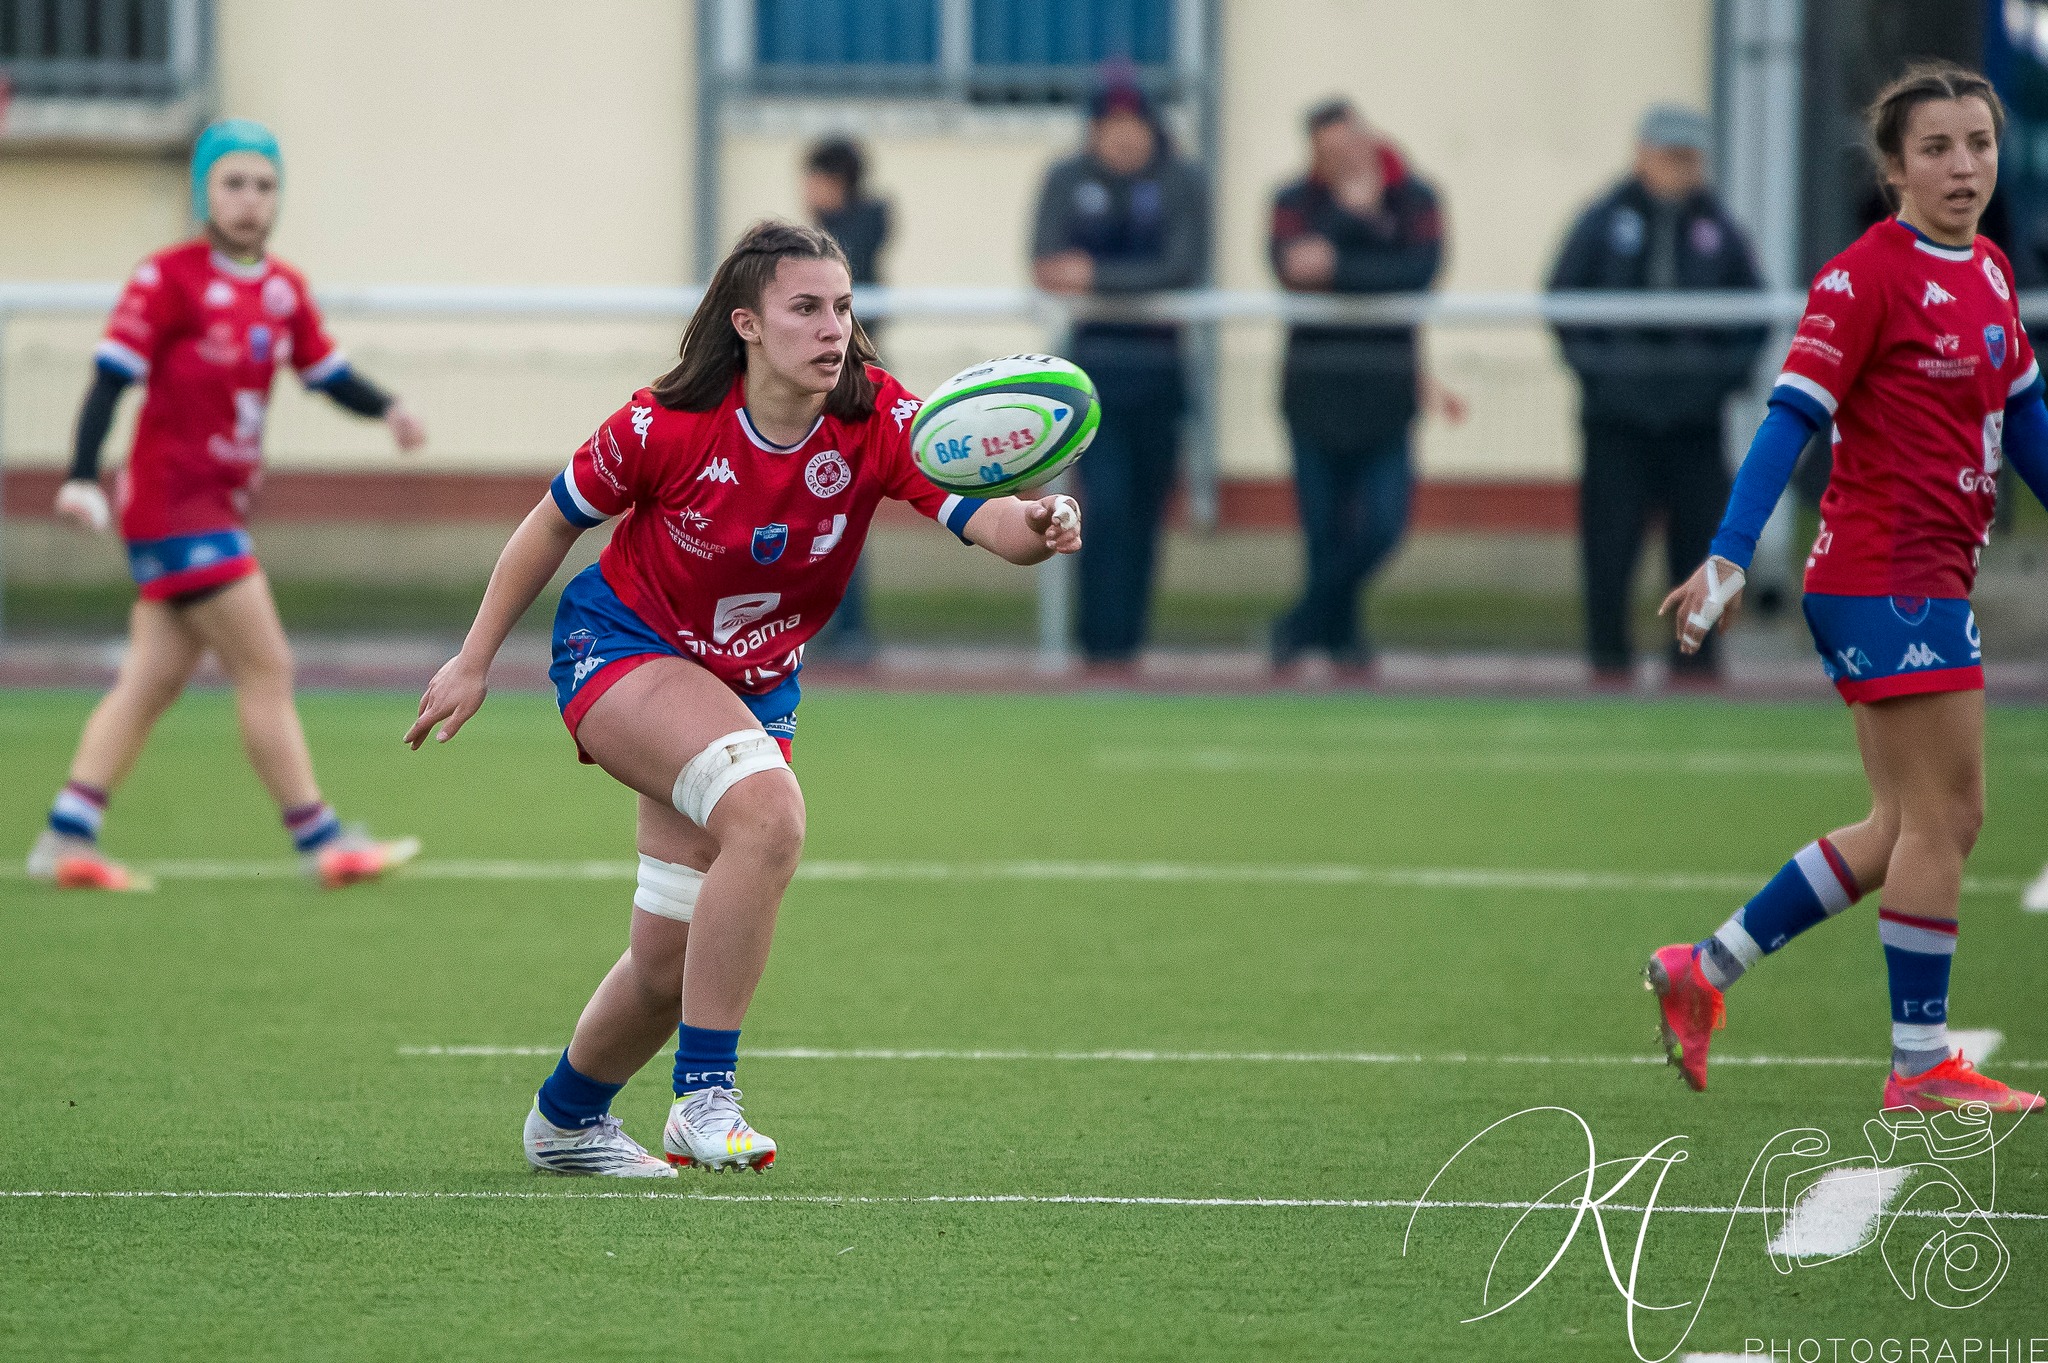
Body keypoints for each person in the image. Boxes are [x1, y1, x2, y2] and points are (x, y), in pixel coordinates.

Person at [407, 222, 1083, 1176]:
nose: (832, 328)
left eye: (843, 307)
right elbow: (548, 524)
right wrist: (474, 659)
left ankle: (567, 1121)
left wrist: (1043, 518)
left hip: (750, 684)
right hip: (621, 650)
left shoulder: (879, 419)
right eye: (805, 307)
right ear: (748, 325)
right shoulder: (665, 423)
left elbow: (990, 521)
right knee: (768, 814)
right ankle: (704, 1095)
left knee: (667, 964)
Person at [1649, 63, 2045, 1114]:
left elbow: (2027, 425)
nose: (1963, 167)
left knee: (1899, 822)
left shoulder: (1992, 269)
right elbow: (1788, 418)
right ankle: (1917, 1067)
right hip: (1884, 578)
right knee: (1948, 814)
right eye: (1935, 149)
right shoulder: (1863, 276)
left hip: (1922, 579)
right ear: (1890, 169)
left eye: (1978, 144)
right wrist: (1730, 551)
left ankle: (1703, 968)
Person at [25, 118, 426, 893]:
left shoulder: (282, 290)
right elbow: (111, 379)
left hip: (216, 508)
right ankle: (321, 838)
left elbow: (325, 372)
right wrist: (80, 474)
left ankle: (66, 836)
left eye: (264, 185)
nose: (250, 200)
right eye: (233, 184)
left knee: (152, 678)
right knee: (266, 663)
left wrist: (388, 409)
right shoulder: (165, 279)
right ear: (202, 191)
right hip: (176, 507)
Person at [1549, 105, 1766, 685]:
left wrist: (1718, 378)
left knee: (1701, 550)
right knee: (1609, 551)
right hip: (1617, 421)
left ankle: (1695, 665)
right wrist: (1603, 374)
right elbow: (1564, 301)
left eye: (1690, 158)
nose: (1679, 169)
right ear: (1642, 154)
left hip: (1695, 423)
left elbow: (1752, 314)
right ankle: (1608, 664)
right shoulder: (1601, 221)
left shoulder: (1720, 229)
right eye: (1669, 156)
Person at [1032, 77, 1207, 672]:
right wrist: (1096, 276)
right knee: (1099, 507)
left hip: (1161, 372)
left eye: (1134, 126)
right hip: (1091, 375)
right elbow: (1047, 263)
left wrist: (1097, 276)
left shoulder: (1182, 182)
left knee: (1146, 513)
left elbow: (1181, 267)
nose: (1122, 138)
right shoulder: (1068, 179)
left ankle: (1129, 648)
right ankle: (1095, 646)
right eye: (1109, 126)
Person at [1268, 99, 1444, 672]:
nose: (1345, 157)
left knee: (1383, 528)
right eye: (1330, 149)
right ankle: (1341, 645)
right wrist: (1350, 219)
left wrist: (1337, 266)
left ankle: (1300, 625)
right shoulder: (1295, 202)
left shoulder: (1415, 199)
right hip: (1314, 390)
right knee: (1322, 531)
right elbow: (1291, 269)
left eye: (1353, 143)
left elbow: (1416, 274)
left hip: (1387, 392)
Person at [801, 136, 890, 665]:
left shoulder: (850, 237)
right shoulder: (820, 238)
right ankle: (817, 627)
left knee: (841, 511)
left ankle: (848, 628)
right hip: (816, 396)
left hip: (846, 395)